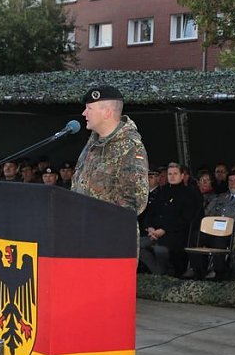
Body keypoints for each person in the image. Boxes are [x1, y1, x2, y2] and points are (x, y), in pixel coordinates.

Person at [71, 85, 149, 216]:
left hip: (111, 232)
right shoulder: (92, 143)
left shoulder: (130, 146)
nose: (84, 113)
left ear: (107, 112)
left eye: (89, 108)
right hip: (83, 229)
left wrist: (98, 218)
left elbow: (135, 201)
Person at [192, 168, 235, 279]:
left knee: (220, 239)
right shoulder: (221, 197)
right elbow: (207, 213)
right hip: (215, 231)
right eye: (230, 180)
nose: (232, 183)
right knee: (195, 236)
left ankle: (219, 272)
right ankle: (200, 271)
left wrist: (220, 224)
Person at [139, 162, 198, 276]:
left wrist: (164, 230)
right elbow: (151, 213)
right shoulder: (162, 191)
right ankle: (159, 272)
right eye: (170, 174)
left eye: (175, 173)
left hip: (175, 235)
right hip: (155, 233)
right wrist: (150, 227)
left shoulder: (189, 194)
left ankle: (162, 273)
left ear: (182, 176)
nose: (172, 176)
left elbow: (185, 219)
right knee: (136, 246)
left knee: (160, 249)